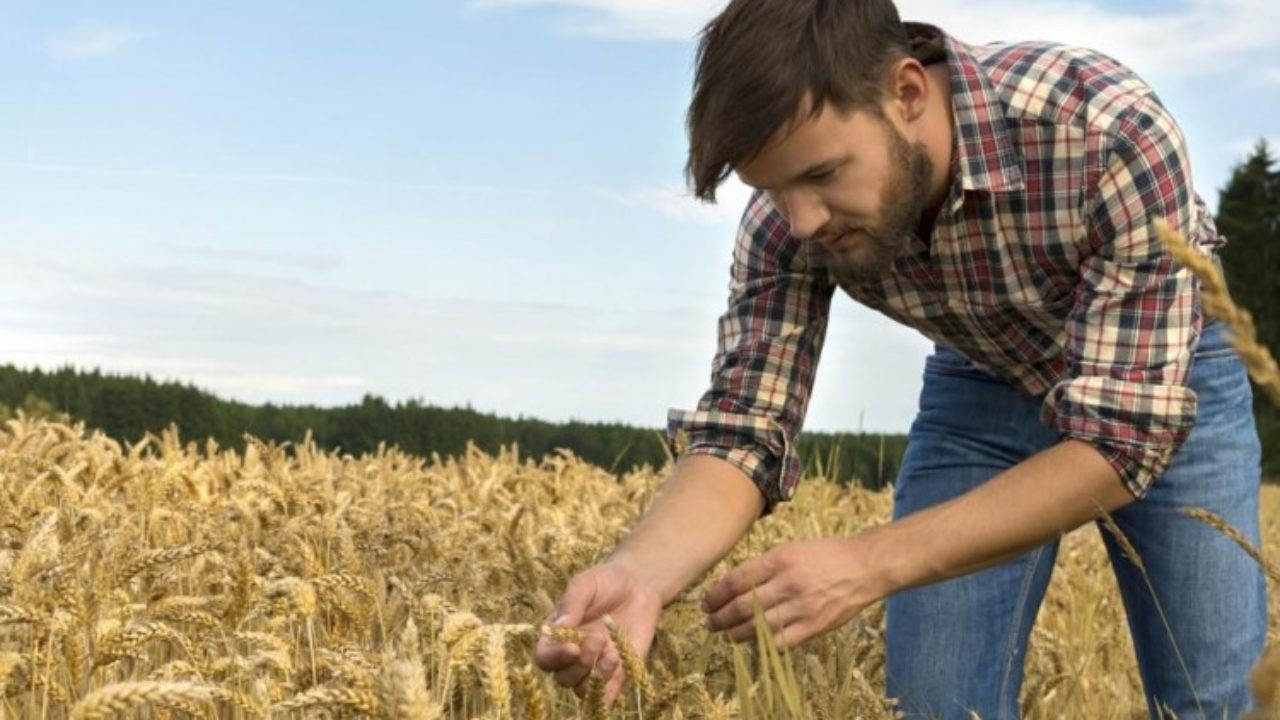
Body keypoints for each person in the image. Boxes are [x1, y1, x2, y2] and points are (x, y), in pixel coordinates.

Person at [533, 1, 1268, 718]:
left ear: (907, 92)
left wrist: (869, 562)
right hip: (980, 379)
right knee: (934, 705)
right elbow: (743, 428)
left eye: (822, 174)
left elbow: (1119, 439)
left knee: (1215, 700)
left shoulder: (1106, 128)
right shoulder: (785, 223)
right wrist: (641, 574)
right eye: (772, 190)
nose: (802, 220)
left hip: (1165, 380)